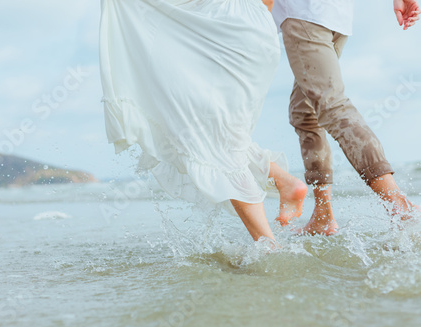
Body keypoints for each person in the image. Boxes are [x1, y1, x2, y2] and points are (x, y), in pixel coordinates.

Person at [99, 0, 307, 243]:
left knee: (211, 140)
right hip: (258, 31)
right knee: (218, 136)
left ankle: (268, 247)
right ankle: (284, 181)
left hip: (220, 28)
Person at [271, 0, 420, 235]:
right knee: (305, 113)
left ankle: (400, 207)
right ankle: (323, 215)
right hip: (334, 15)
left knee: (332, 106)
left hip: (304, 13)